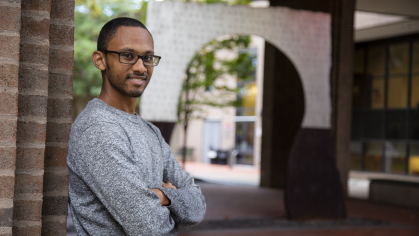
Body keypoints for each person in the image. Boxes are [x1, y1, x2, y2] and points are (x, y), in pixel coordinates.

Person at [67, 17, 206, 236]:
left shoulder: (150, 131)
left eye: (148, 58)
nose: (141, 67)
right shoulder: (97, 129)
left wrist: (162, 197)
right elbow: (149, 226)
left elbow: (198, 207)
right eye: (128, 56)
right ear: (100, 60)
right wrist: (168, 197)